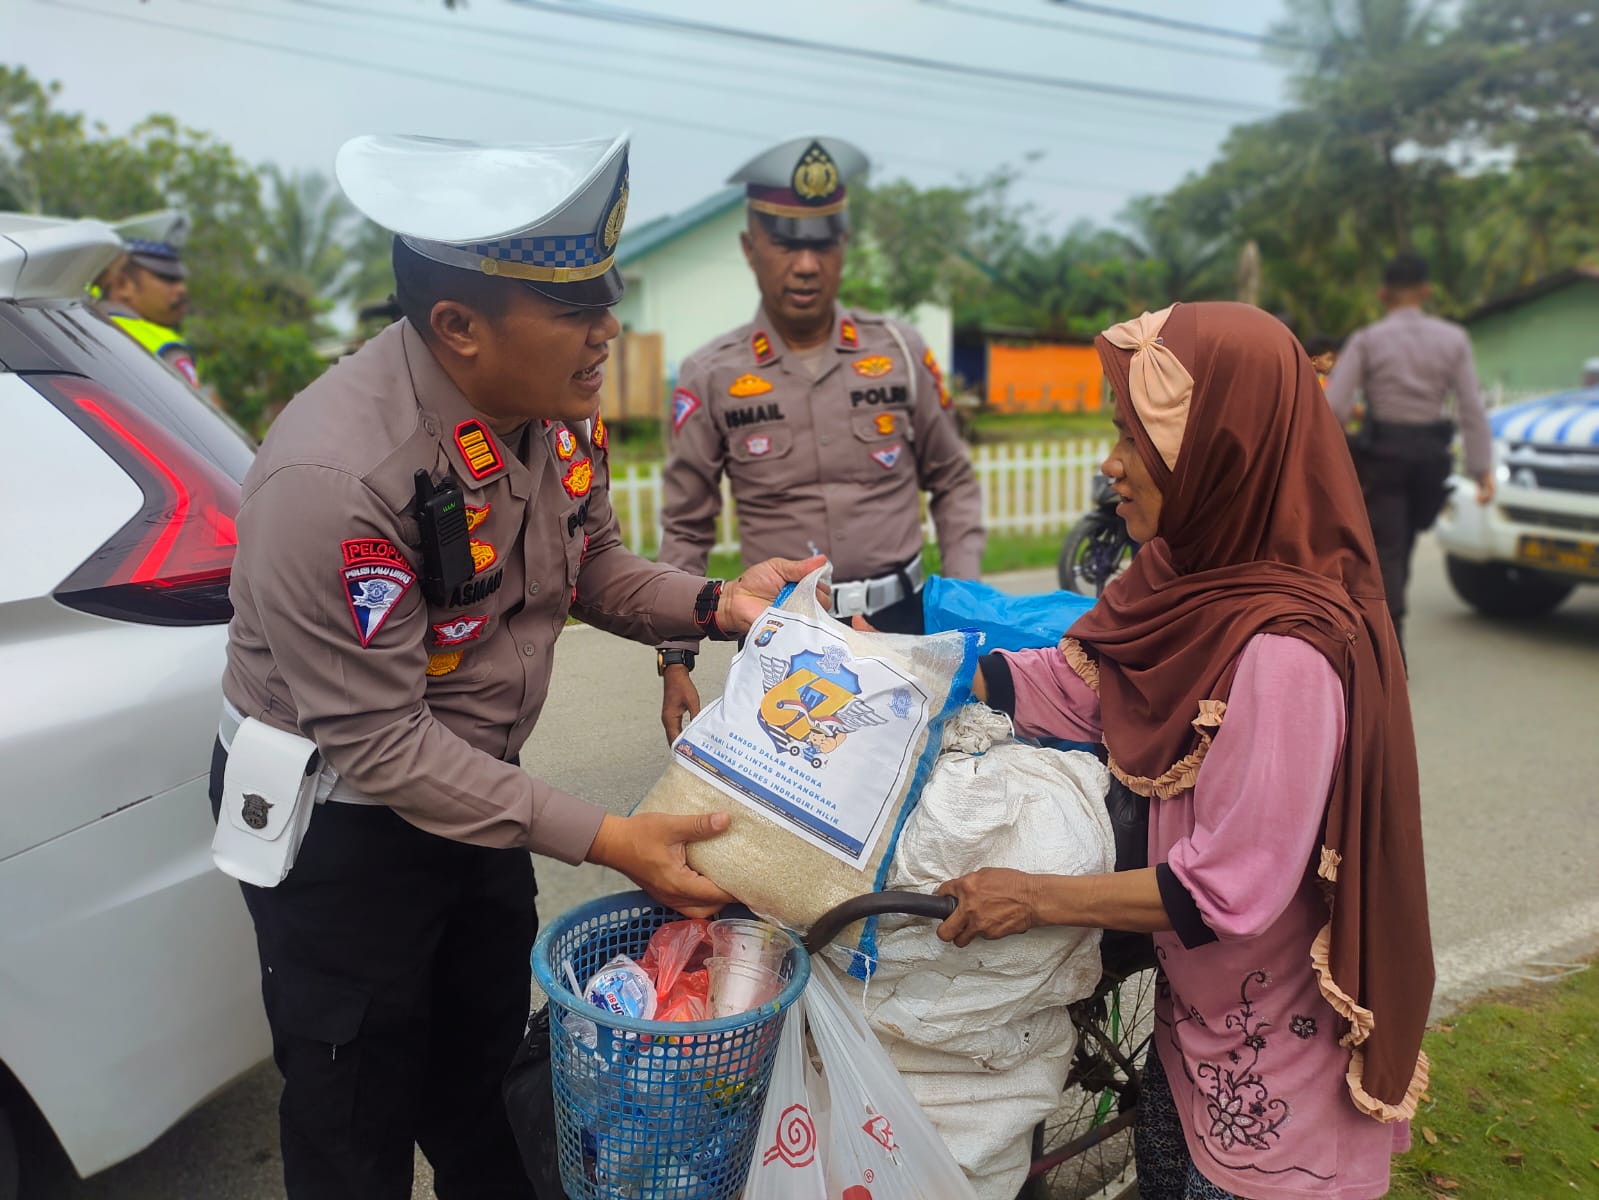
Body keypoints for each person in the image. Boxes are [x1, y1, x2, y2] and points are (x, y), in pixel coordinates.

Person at [216, 131, 822, 1200]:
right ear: (458, 327)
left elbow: (585, 563)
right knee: (354, 1107)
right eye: (577, 310)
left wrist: (722, 604)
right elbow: (379, 740)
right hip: (345, 821)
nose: (608, 333)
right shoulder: (339, 476)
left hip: (478, 793)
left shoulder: (549, 418)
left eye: (608, 297)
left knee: (485, 1073)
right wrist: (609, 838)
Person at [939, 302, 1432, 1199]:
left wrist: (1031, 898)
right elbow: (1084, 681)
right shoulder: (1187, 575)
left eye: (1133, 436)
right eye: (1114, 431)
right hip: (1188, 1029)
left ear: (1221, 450)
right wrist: (917, 670)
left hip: (1270, 1084)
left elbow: (1225, 891)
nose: (1109, 462)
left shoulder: (1284, 653)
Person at [655, 135, 984, 742]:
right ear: (751, 249)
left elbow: (954, 481)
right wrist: (675, 657)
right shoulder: (712, 375)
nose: (805, 264)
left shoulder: (900, 353)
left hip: (902, 623)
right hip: (784, 632)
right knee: (795, 812)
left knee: (909, 799)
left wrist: (962, 615)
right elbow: (686, 526)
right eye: (784, 242)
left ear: (843, 248)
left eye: (821, 243)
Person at [1324, 253, 1493, 652]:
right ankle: (1390, 631)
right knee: (1404, 545)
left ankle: (1388, 642)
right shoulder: (1453, 339)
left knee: (1388, 548)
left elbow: (1336, 408)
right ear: (1426, 292)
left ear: (1384, 294)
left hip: (1383, 455)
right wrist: (1481, 468)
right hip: (1431, 457)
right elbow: (1471, 405)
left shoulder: (1367, 340)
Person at [95, 209, 202, 387]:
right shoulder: (166, 351)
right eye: (167, 277)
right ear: (123, 284)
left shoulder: (70, 320)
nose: (181, 289)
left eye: (179, 279)